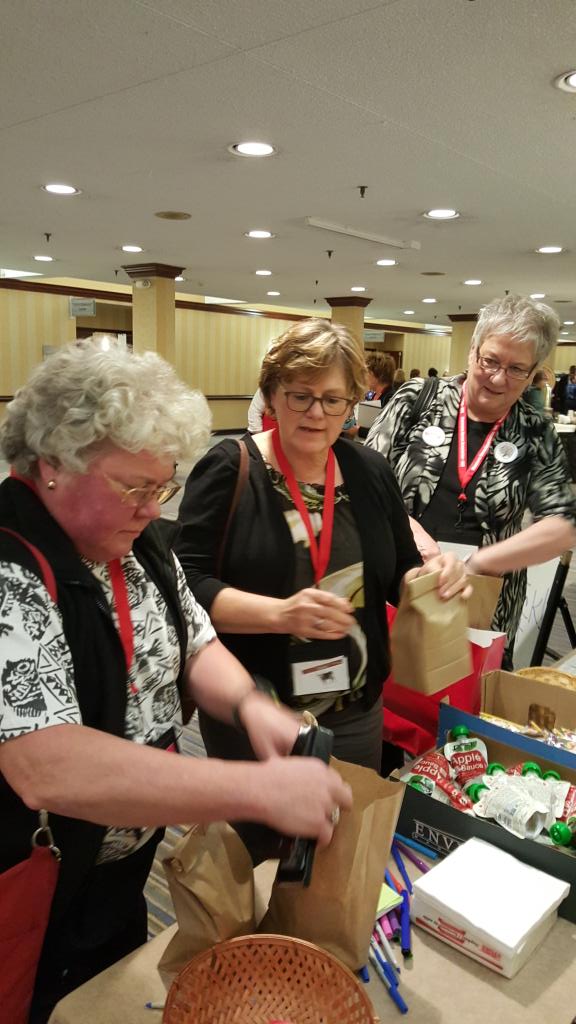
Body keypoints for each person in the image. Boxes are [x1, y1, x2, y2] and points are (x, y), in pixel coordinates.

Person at [0, 339, 351, 1022]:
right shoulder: (9, 567)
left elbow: (196, 640)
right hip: (30, 882)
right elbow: (46, 763)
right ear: (50, 466)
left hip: (118, 867)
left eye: (161, 487)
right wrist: (254, 788)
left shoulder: (135, 539)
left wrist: (252, 706)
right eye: (134, 487)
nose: (150, 505)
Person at [175, 318, 468, 776]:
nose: (316, 413)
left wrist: (430, 579)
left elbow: (400, 571)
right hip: (259, 711)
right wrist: (280, 614)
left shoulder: (369, 471)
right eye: (300, 396)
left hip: (355, 710)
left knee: (349, 835)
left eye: (333, 400)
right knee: (261, 843)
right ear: (272, 395)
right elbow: (186, 587)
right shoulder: (229, 469)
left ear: (352, 404)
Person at [366, 294, 576, 665]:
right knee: (390, 687)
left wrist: (478, 564)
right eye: (490, 360)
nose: (498, 378)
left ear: (533, 373)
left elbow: (562, 526)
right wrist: (419, 541)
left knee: (465, 700)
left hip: (484, 598)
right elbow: (365, 481)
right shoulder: (419, 398)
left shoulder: (534, 429)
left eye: (517, 369)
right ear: (472, 351)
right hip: (400, 577)